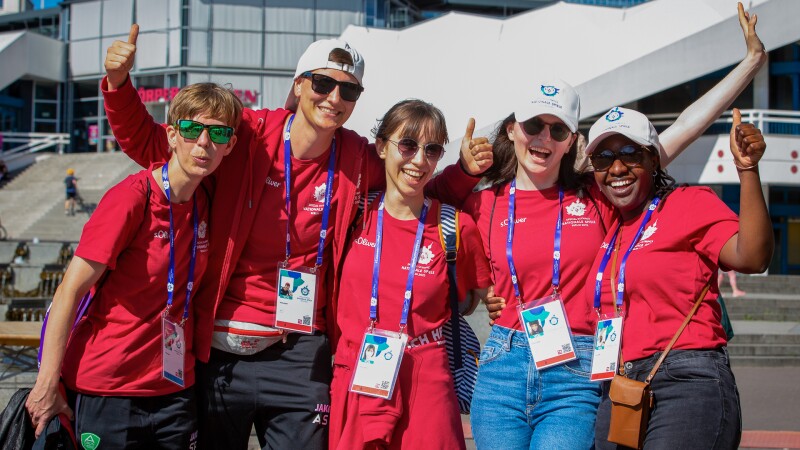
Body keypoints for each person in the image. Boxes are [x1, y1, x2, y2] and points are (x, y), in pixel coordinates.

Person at [102, 25, 492, 450]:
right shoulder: (247, 135)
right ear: (299, 85)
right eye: (324, 83)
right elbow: (154, 147)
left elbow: (412, 184)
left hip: (300, 350)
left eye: (348, 91)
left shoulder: (356, 158)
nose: (334, 98)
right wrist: (120, 85)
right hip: (220, 349)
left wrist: (463, 173)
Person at [468, 4, 766, 448]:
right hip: (505, 364)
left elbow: (680, 128)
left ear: (572, 142)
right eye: (533, 125)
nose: (543, 138)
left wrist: (750, 64)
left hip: (581, 365)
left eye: (558, 130)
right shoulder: (484, 202)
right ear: (512, 129)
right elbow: (412, 195)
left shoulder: (600, 191)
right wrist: (459, 167)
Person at [25, 82, 241, 447]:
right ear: (172, 135)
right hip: (109, 391)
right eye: (191, 130)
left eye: (218, 133)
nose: (204, 143)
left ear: (229, 145)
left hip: (174, 390)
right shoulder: (131, 198)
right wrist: (47, 382)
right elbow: (68, 293)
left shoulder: (204, 200)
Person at [587, 107, 772, 449]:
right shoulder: (610, 229)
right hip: (620, 386)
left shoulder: (688, 203)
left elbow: (752, 257)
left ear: (654, 160)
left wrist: (747, 170)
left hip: (686, 378)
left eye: (630, 153)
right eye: (603, 158)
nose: (616, 168)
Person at [329, 99, 492, 450]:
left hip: (426, 378)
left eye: (432, 150)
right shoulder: (351, 215)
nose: (419, 160)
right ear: (382, 147)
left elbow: (483, 298)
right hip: (359, 372)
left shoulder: (455, 226)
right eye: (408, 145)